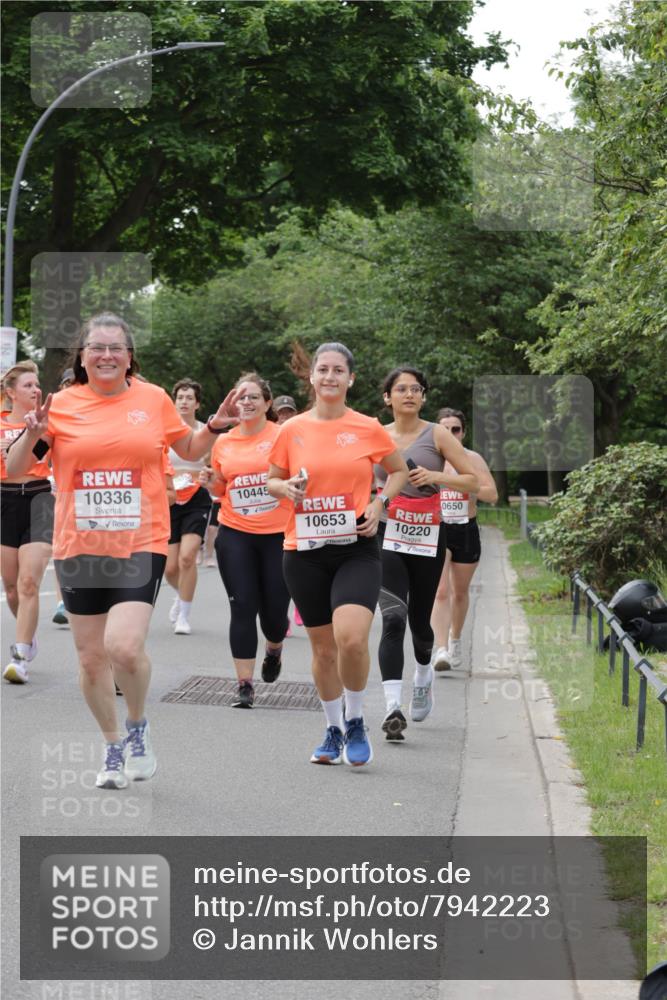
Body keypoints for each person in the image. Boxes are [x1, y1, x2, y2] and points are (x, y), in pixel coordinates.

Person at [6, 312, 239, 789]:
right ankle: (113, 745)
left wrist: (214, 425)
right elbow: (13, 469)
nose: (107, 355)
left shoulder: (152, 399)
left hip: (141, 538)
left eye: (116, 347)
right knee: (91, 659)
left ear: (129, 357)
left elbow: (191, 450)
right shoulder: (62, 406)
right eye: (97, 347)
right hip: (79, 547)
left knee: (124, 647)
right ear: (83, 357)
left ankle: (137, 725)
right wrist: (32, 432)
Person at [267, 342, 408, 767]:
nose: (329, 377)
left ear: (351, 379)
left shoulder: (367, 427)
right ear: (312, 377)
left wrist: (380, 501)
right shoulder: (290, 430)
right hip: (304, 550)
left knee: (351, 639)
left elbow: (398, 469)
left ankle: (357, 720)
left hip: (356, 548)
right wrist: (286, 488)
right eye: (322, 370)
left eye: (337, 371)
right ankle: (332, 728)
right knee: (324, 650)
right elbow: (272, 480)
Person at [375, 369, 480, 740]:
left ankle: (423, 676)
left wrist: (436, 478)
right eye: (400, 389)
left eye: (415, 389)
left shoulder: (436, 434)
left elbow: (473, 481)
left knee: (420, 623)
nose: (408, 394)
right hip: (387, 534)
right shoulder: (374, 433)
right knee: (392, 617)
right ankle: (391, 707)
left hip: (427, 536)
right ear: (387, 397)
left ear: (423, 397)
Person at [201, 373, 291, 708]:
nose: (247, 403)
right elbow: (222, 487)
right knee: (242, 605)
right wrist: (211, 483)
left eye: (254, 397)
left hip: (278, 535)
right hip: (236, 532)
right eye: (241, 397)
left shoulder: (283, 435)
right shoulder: (224, 442)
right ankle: (244, 684)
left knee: (274, 613)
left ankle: (274, 649)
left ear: (268, 403)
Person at [430, 407, 498, 670]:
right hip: (438, 528)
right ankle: (441, 650)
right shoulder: (431, 459)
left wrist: (458, 483)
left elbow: (492, 494)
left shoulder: (472, 459)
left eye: (455, 429)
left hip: (466, 529)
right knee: (440, 591)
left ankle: (455, 639)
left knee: (459, 593)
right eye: (444, 429)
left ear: (463, 432)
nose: (450, 433)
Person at [1, 361, 54, 683]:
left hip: (39, 498)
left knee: (29, 582)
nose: (35, 391)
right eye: (28, 386)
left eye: (37, 385)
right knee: (11, 589)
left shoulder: (49, 425)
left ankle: (19, 655)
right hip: (4, 501)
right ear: (11, 393)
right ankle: (28, 634)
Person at [164, 378, 210, 635]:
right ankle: (181, 596)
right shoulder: (165, 431)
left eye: (189, 398)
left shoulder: (205, 432)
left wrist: (206, 476)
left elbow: (215, 466)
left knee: (188, 556)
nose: (183, 402)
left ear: (197, 404)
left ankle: (184, 615)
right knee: (170, 567)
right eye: (180, 397)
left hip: (196, 498)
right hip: (170, 498)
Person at [52, 367, 76, 626]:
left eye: (74, 383)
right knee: (63, 550)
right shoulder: (54, 415)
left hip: (90, 497)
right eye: (66, 384)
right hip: (61, 495)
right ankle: (62, 599)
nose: (70, 388)